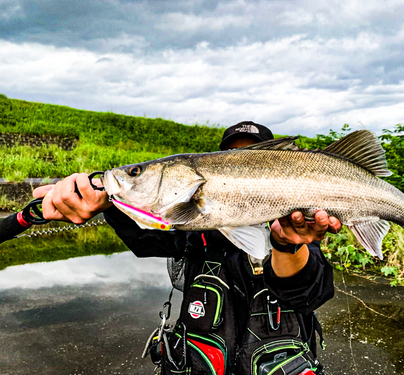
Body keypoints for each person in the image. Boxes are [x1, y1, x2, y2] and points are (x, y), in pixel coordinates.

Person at [33, 121, 341, 374]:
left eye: (252, 159)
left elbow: (310, 291)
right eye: (232, 160)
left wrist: (287, 244)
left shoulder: (298, 225)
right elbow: (146, 236)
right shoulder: (191, 229)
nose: (241, 169)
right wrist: (104, 202)